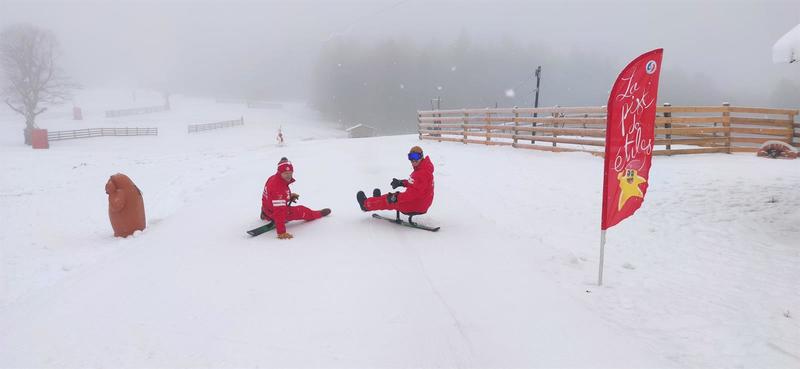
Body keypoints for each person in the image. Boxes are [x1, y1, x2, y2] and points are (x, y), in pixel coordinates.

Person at [261, 157, 331, 239]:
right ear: (280, 172)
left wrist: (288, 197)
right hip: (275, 212)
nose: (289, 175)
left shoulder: (273, 178)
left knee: (277, 207)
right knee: (302, 210)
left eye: (290, 172)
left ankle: (265, 214)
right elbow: (279, 211)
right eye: (286, 173)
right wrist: (281, 232)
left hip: (267, 207)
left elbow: (271, 196)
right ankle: (318, 214)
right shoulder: (278, 189)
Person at [356, 146, 434, 215]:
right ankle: (376, 200)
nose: (413, 160)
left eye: (415, 156)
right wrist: (401, 182)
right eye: (410, 157)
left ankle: (365, 205)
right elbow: (415, 184)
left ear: (421, 156)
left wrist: (395, 198)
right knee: (390, 198)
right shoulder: (424, 169)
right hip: (421, 203)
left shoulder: (421, 173)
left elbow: (412, 194)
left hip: (415, 205)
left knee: (388, 200)